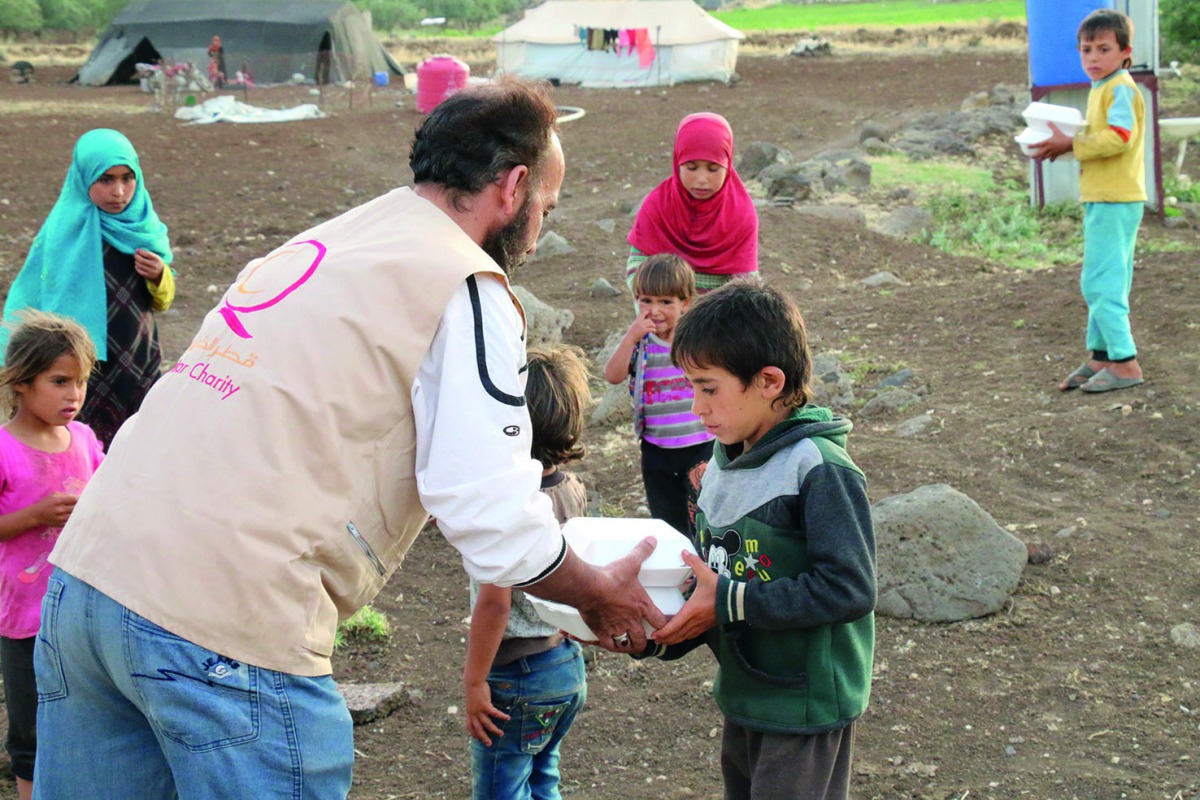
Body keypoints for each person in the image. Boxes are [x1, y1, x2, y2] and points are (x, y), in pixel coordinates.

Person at [32, 77, 664, 799]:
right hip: (226, 624)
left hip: (87, 579)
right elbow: (491, 513)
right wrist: (594, 594)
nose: (542, 227)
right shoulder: (464, 287)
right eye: (546, 206)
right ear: (514, 187)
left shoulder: (328, 240)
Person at [644, 282, 876, 800]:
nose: (695, 405)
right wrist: (652, 631)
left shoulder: (818, 468)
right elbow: (712, 578)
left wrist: (727, 602)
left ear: (769, 381)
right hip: (747, 690)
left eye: (708, 387)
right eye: (690, 386)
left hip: (804, 704)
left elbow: (850, 588)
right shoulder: (720, 462)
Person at [465, 344, 591, 800]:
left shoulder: (509, 507)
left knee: (502, 790)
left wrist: (475, 681)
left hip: (516, 676)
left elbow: (496, 603)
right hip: (564, 665)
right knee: (542, 778)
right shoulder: (571, 489)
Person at [0, 128, 176, 449]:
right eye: (105, 180)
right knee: (83, 444)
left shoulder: (143, 229)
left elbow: (162, 302)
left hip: (137, 356)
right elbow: (39, 294)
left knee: (139, 441)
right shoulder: (66, 231)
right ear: (83, 179)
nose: (119, 191)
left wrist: (159, 276)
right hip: (83, 363)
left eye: (127, 178)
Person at [0, 311, 105, 800]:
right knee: (33, 727)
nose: (74, 395)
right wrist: (35, 515)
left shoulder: (84, 441)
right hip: (23, 619)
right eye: (59, 381)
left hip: (83, 613)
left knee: (86, 714)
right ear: (21, 383)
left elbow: (109, 499)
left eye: (81, 381)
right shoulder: (3, 449)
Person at [1033, 10, 1146, 394]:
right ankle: (1101, 356)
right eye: (1086, 50)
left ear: (1125, 51)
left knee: (1102, 282)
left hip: (1115, 198)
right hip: (1106, 196)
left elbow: (1119, 137)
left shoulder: (1120, 88)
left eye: (1103, 49)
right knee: (1100, 279)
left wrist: (1072, 144)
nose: (1093, 57)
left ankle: (1126, 362)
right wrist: (1062, 145)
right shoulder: (1103, 87)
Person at [604, 254, 713, 538]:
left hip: (701, 443)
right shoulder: (640, 344)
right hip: (656, 447)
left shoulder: (697, 343)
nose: (655, 310)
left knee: (704, 513)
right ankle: (676, 567)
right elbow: (613, 375)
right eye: (646, 300)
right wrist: (630, 337)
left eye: (666, 302)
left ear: (685, 303)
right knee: (666, 517)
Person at [626, 112, 759, 294]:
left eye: (713, 169)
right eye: (691, 167)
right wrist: (654, 309)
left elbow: (745, 285)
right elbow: (637, 267)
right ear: (677, 161)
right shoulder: (657, 205)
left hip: (716, 315)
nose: (702, 179)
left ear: (728, 166)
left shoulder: (741, 214)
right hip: (664, 312)